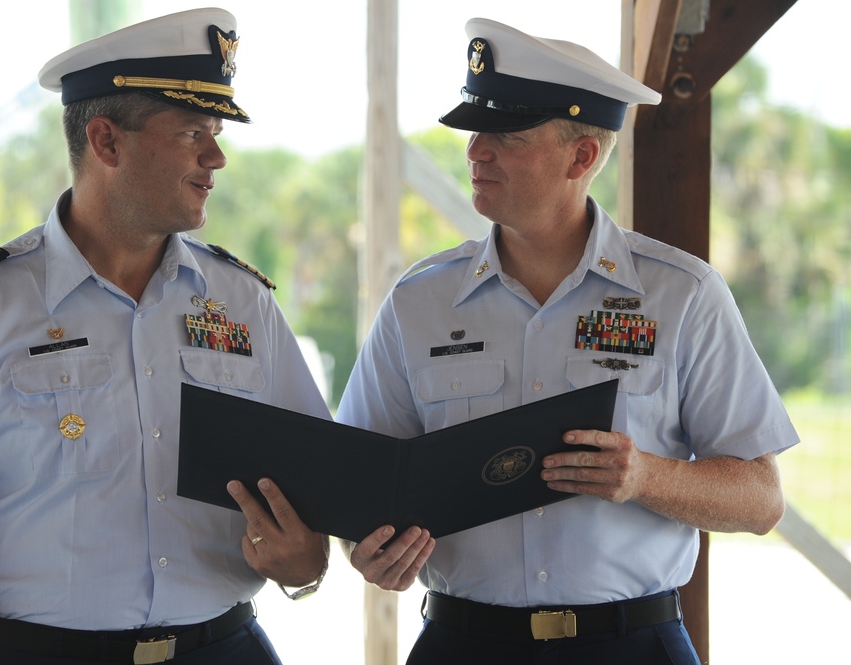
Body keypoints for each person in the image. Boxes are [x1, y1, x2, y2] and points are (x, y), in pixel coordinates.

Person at [0, 8, 331, 665]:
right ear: (106, 142)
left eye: (216, 133)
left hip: (225, 646)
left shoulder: (243, 300)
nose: (216, 157)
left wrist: (303, 561)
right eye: (194, 131)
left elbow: (310, 525)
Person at [336, 17, 799, 665]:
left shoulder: (682, 294)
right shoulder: (418, 301)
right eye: (474, 129)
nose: (474, 150)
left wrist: (645, 476)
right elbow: (355, 484)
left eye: (504, 134)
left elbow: (760, 498)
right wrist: (369, 548)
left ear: (581, 156)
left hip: (633, 646)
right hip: (461, 644)